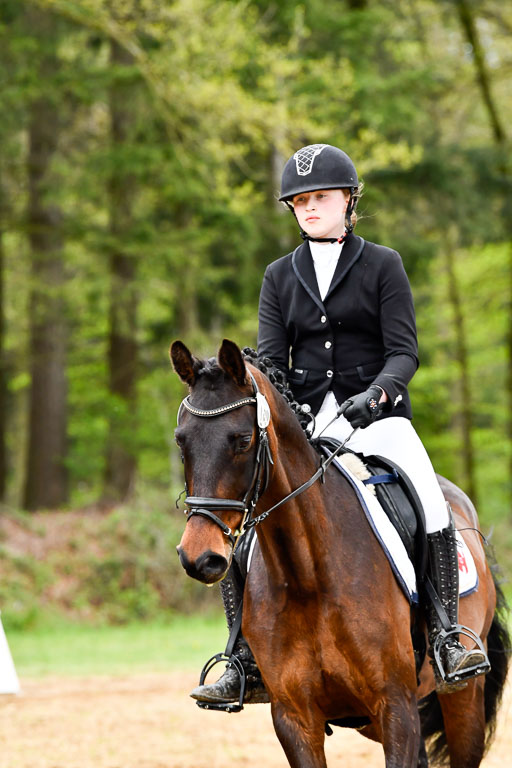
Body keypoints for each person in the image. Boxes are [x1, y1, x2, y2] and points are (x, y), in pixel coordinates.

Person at [190, 143, 489, 706]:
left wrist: (376, 395)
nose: (308, 208)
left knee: (429, 501)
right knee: (249, 517)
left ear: (348, 201)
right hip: (308, 424)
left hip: (378, 417)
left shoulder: (383, 264)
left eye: (320, 198)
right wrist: (283, 404)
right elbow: (272, 360)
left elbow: (404, 353)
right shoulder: (279, 275)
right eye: (299, 201)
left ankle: (449, 635)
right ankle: (241, 659)